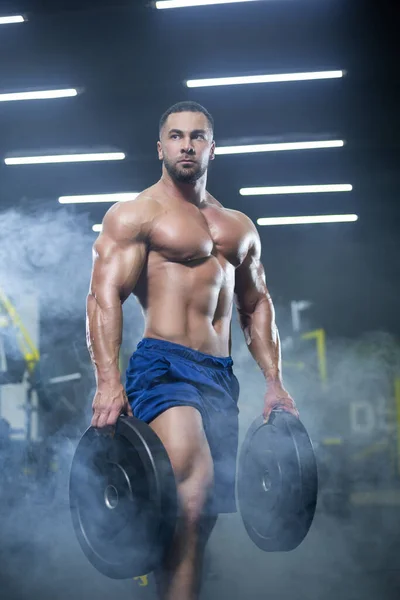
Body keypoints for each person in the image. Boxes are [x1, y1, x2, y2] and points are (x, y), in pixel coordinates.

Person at [86, 101, 298, 600]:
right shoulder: (137, 213)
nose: (186, 144)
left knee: (197, 520)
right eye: (176, 136)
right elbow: (102, 297)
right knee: (193, 490)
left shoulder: (238, 226)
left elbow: (257, 305)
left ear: (212, 148)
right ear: (160, 148)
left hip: (219, 376)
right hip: (163, 364)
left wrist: (273, 380)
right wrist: (108, 380)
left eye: (197, 136)